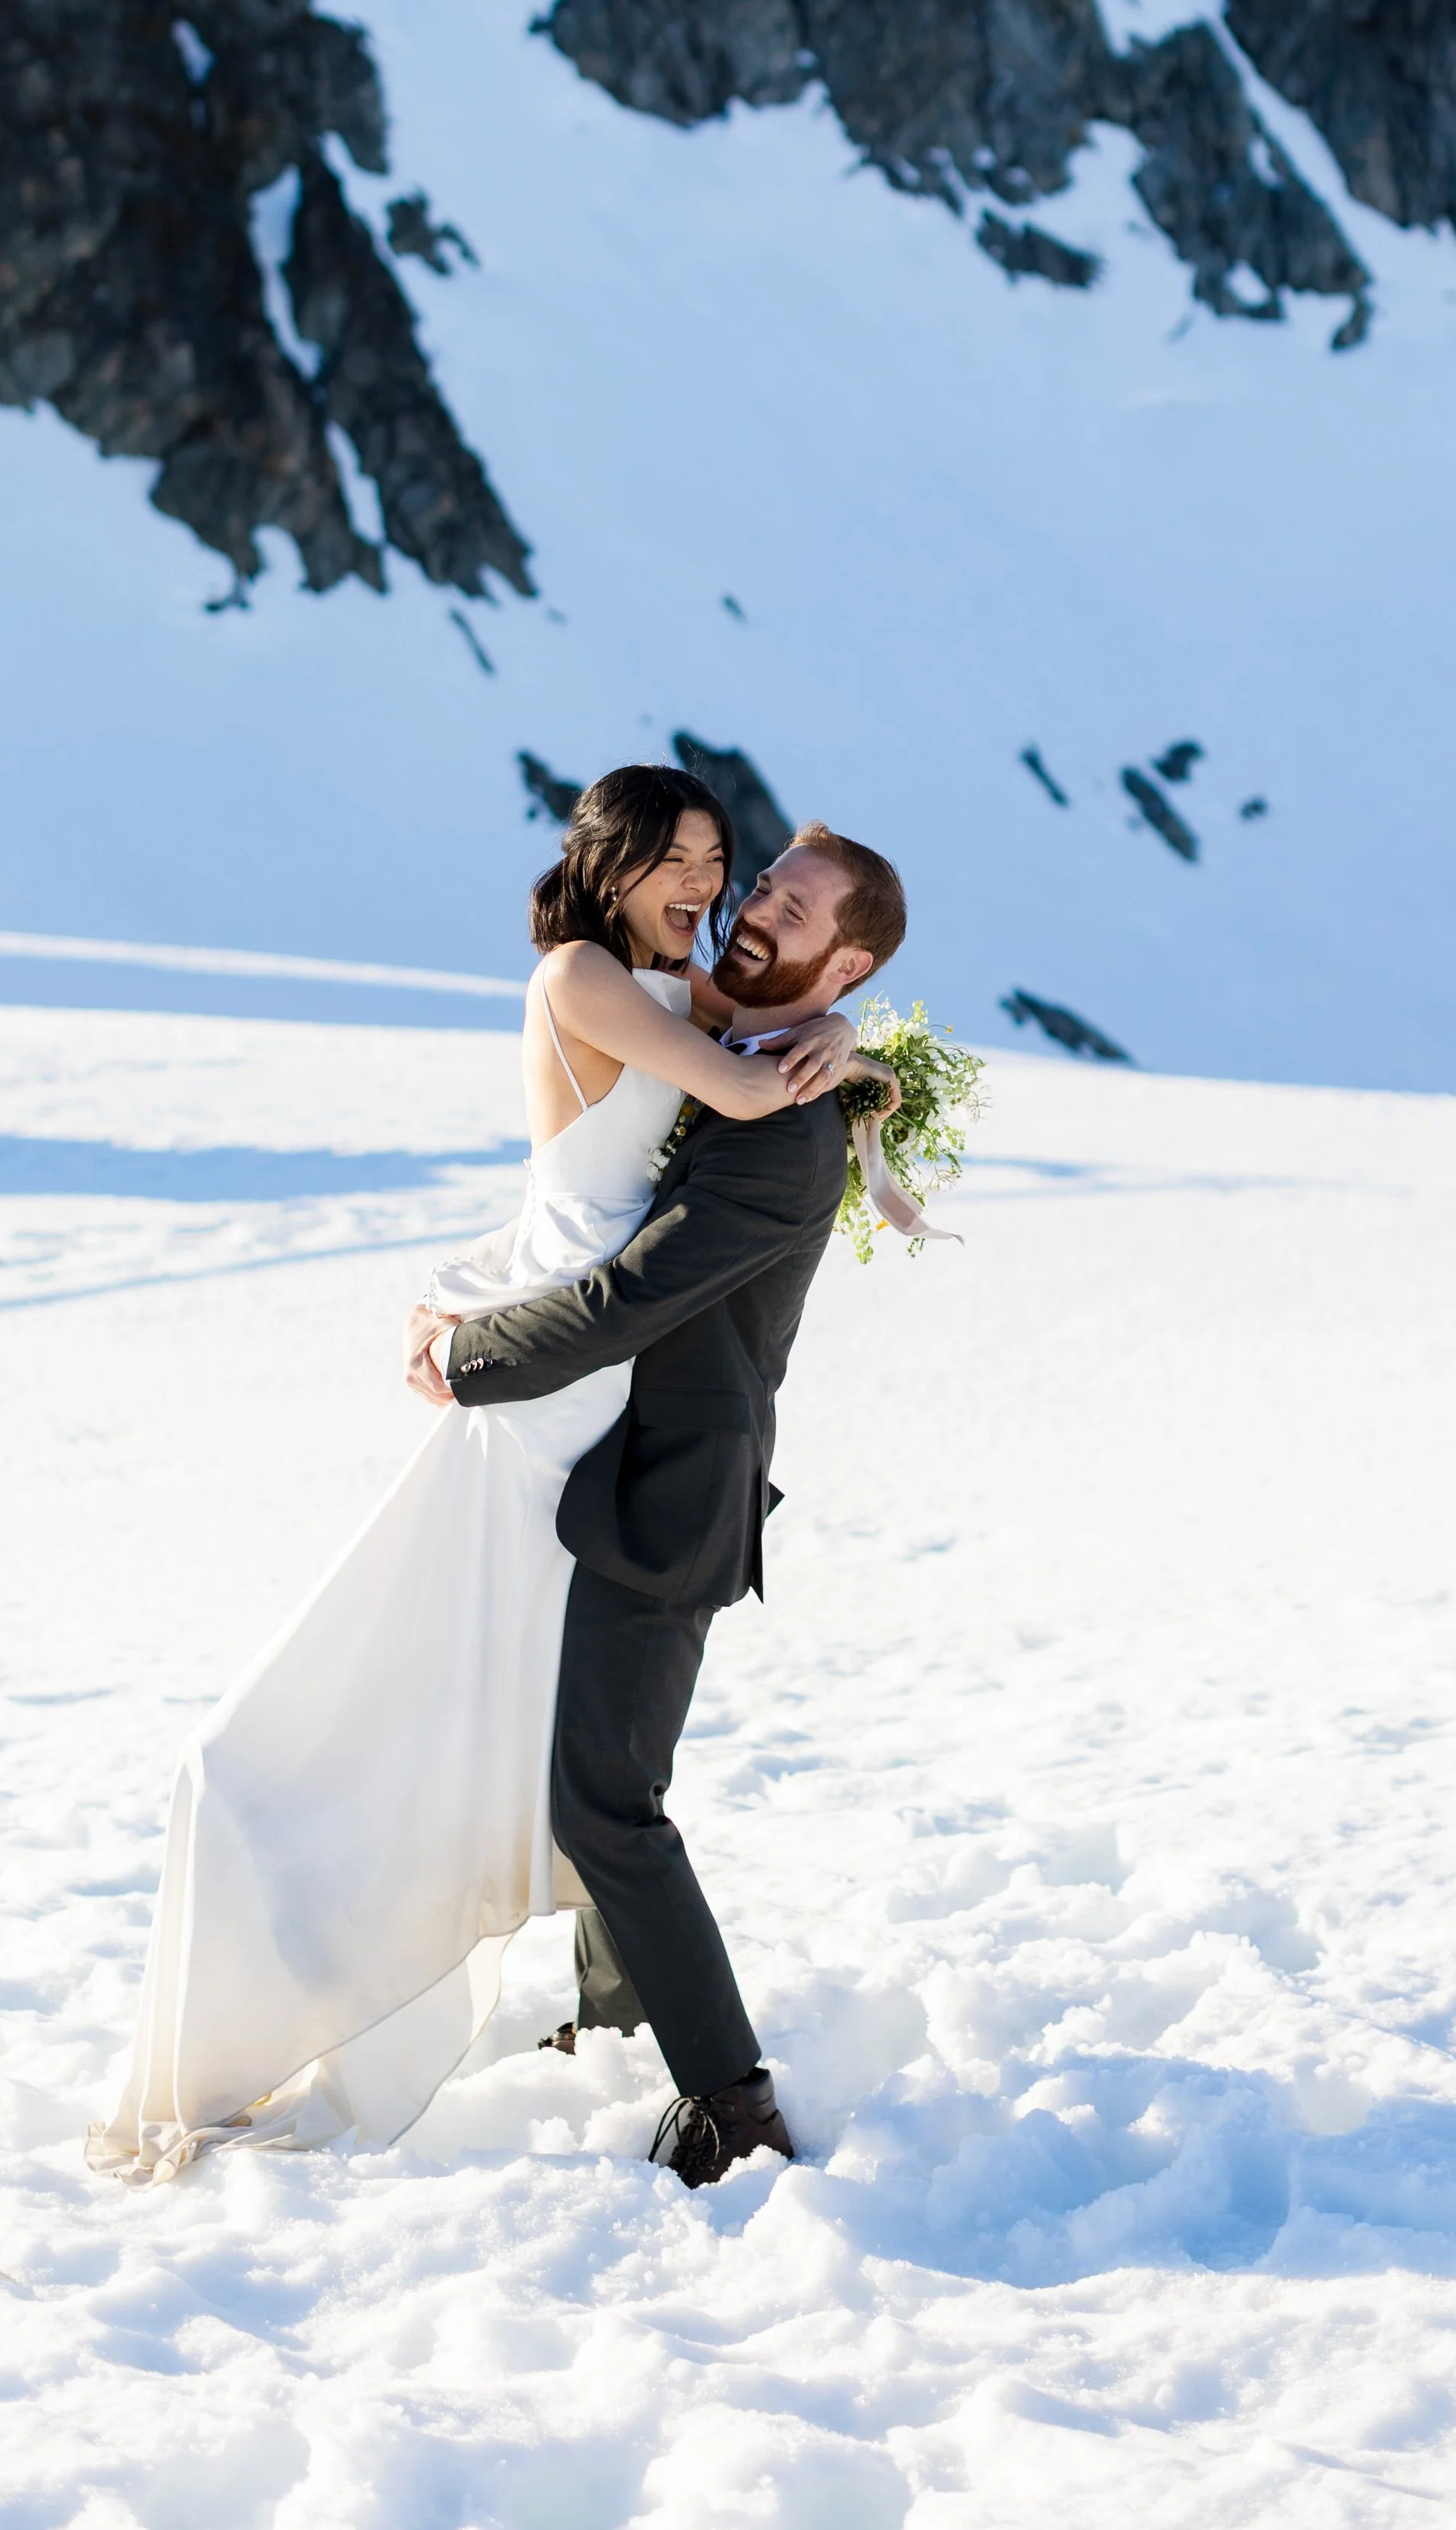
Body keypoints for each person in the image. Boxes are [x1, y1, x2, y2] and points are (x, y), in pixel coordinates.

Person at [87, 765, 882, 2185]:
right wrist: (831, 1052)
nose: (719, 889)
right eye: (696, 864)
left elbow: (748, 1088)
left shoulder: (664, 992)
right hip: (552, 1395)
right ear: (616, 859)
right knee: (485, 1720)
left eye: (737, 866)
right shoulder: (592, 975)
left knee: (575, 1755)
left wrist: (848, 1051)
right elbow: (733, 1091)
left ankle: (650, 2038)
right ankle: (350, 1952)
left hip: (601, 1418)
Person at [407, 811, 909, 2188]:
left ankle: (735, 2104)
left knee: (607, 1801)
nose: (749, 914)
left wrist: (464, 1355)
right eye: (760, 889)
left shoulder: (782, 1129)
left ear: (846, 963)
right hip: (610, 1465)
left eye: (791, 915)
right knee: (601, 1774)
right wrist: (860, 1060)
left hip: (677, 1487)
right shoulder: (746, 1048)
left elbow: (634, 1300)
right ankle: (621, 2020)